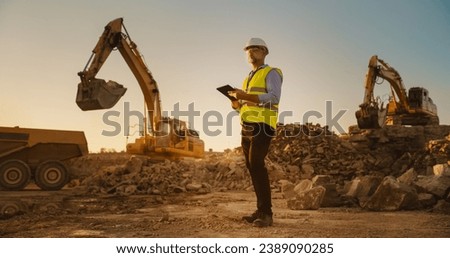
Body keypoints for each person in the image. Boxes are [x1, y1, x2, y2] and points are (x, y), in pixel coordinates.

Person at [228, 38, 282, 227]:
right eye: (248, 49)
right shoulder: (247, 78)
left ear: (265, 52)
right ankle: (261, 210)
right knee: (252, 166)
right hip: (247, 126)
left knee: (257, 164)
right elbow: (244, 106)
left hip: (263, 124)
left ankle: (267, 213)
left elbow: (273, 98)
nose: (251, 52)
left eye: (255, 49)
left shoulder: (272, 72)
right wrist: (236, 103)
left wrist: (245, 96)